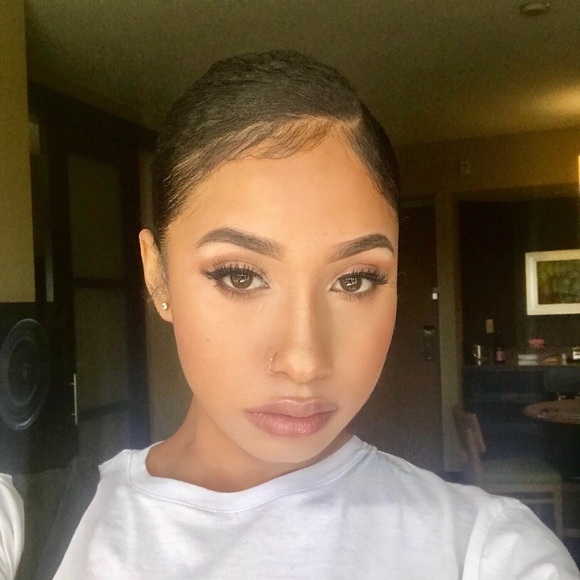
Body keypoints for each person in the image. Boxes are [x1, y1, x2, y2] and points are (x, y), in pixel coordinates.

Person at [6, 49, 580, 579]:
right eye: (240, 275)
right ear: (157, 275)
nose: (304, 361)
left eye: (354, 279)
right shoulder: (31, 529)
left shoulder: (486, 551)